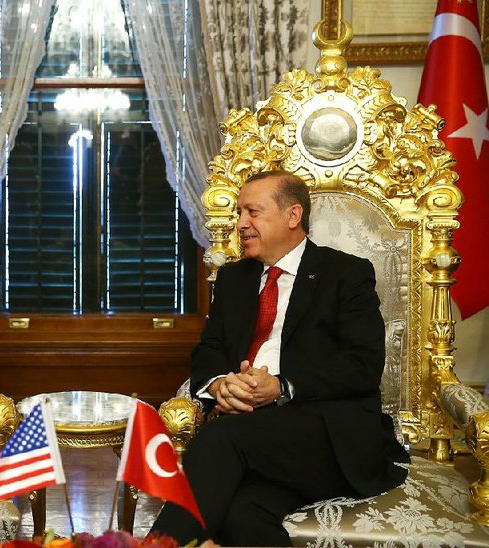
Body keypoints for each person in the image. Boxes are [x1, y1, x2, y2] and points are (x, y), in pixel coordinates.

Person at [150, 170, 409, 546]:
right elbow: (209, 350)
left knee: (221, 438)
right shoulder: (233, 279)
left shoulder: (346, 274)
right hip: (256, 437)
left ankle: (159, 544)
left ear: (292, 216)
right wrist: (220, 384)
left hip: (326, 437)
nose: (241, 224)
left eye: (252, 213)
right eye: (239, 213)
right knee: (243, 516)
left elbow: (363, 365)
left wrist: (283, 386)